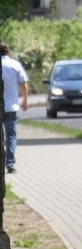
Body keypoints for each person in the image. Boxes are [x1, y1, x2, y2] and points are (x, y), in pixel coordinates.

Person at [1, 43, 29, 174]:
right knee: (11, 136)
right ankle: (10, 164)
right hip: (11, 107)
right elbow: (23, 85)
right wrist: (25, 100)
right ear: (8, 53)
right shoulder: (15, 65)